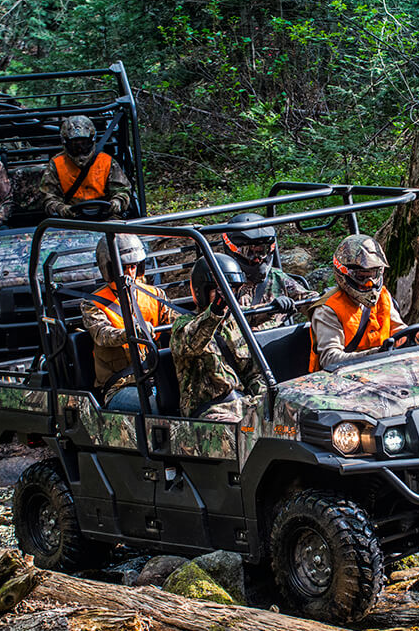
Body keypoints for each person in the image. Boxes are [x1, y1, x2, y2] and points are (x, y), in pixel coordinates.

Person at [308, 234, 419, 371]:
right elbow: (330, 359)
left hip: (384, 371)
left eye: (373, 275)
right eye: (362, 277)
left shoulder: (383, 296)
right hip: (342, 382)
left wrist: (418, 337)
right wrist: (376, 355)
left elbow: (398, 331)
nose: (369, 283)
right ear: (343, 273)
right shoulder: (328, 309)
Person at [170, 253, 265, 421]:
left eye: (232, 291)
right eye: (220, 292)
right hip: (210, 413)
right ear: (203, 291)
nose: (227, 298)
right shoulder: (183, 325)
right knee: (243, 431)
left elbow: (254, 373)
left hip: (243, 404)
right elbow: (191, 343)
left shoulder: (234, 324)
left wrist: (266, 399)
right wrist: (215, 311)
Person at [81, 234, 171, 410]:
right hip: (120, 385)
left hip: (156, 376)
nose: (130, 272)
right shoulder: (93, 303)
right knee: (155, 406)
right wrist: (130, 332)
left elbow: (178, 323)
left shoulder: (154, 295)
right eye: (124, 267)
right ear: (110, 269)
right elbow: (102, 334)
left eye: (133, 266)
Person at [221, 212, 315, 328]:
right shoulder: (223, 283)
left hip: (278, 341)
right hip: (240, 343)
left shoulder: (276, 277)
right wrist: (269, 309)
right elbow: (226, 319)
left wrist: (325, 302)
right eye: (249, 252)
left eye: (262, 251)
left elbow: (305, 298)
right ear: (233, 250)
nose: (257, 259)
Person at [41, 115, 132, 218]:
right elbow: (48, 198)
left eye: (84, 144)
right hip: (70, 221)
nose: (80, 149)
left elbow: (122, 191)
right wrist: (62, 209)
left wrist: (116, 203)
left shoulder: (106, 162)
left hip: (106, 218)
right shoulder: (56, 164)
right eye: (75, 145)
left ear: (92, 141)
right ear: (65, 143)